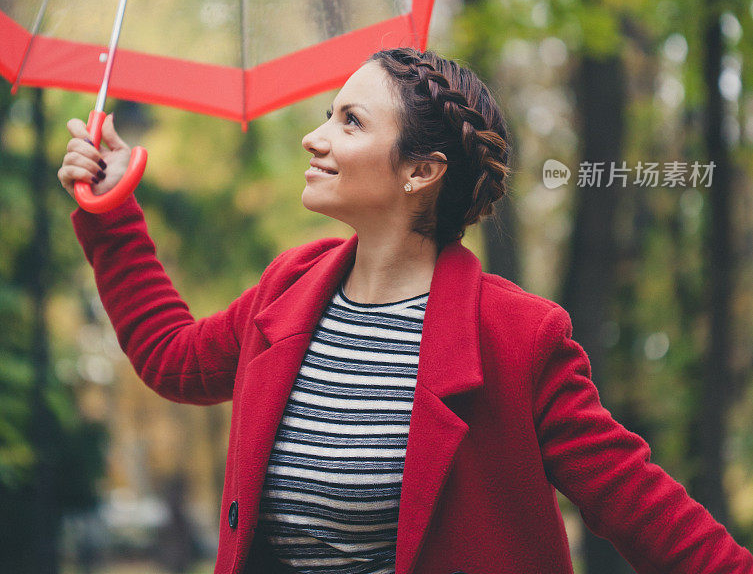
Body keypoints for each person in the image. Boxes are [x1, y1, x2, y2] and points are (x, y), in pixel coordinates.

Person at [58, 48, 753, 574]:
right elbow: (172, 359)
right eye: (328, 114)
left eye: (349, 121)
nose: (314, 137)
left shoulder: (516, 336)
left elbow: (636, 505)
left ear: (419, 171)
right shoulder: (287, 289)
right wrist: (112, 212)